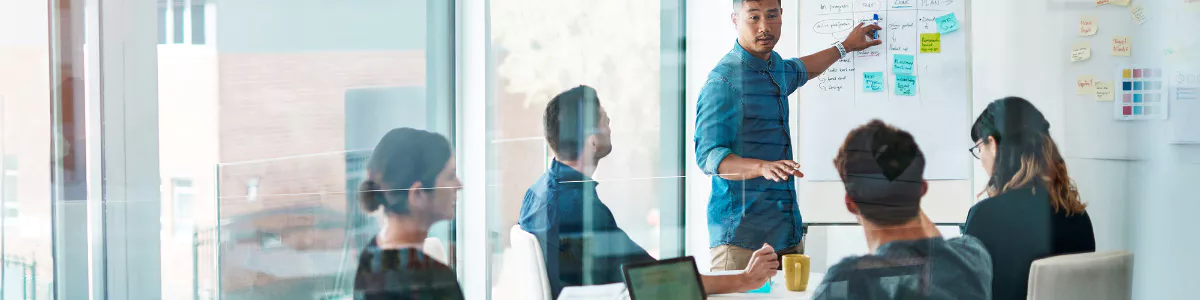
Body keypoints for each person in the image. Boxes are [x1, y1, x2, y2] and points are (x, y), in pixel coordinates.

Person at [520, 86, 780, 298]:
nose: (609, 124)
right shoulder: (578, 208)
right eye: (604, 120)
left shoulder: (539, 191)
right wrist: (744, 280)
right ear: (592, 141)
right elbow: (653, 280)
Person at [695, 0, 884, 271]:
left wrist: (847, 46)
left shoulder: (776, 68)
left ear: (782, 15)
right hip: (741, 242)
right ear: (735, 20)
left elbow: (804, 69)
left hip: (786, 234)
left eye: (772, 16)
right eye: (754, 17)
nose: (764, 27)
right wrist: (761, 167)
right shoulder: (722, 83)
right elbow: (710, 157)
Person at [812, 120, 992, 300]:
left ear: (850, 203)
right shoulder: (973, 257)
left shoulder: (847, 283)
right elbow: (938, 249)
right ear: (922, 189)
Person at [962, 97, 1096, 300]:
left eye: (979, 149)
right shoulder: (1078, 216)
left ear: (993, 144)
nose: (981, 159)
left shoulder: (985, 217)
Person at [354, 128, 464, 300]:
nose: (459, 185)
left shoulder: (371, 253)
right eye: (450, 176)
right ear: (418, 194)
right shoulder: (436, 281)